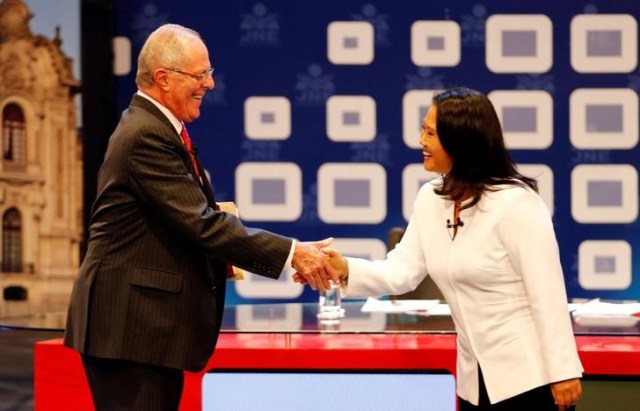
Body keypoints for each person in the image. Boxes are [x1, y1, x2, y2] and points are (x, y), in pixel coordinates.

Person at [64, 23, 337, 410]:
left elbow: (186, 224)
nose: (209, 84)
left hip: (143, 330)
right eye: (201, 74)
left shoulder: (155, 127)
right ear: (163, 78)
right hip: (130, 331)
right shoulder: (147, 135)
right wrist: (294, 253)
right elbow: (202, 223)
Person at [297, 87, 583, 410]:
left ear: (460, 141)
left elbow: (547, 293)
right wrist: (344, 267)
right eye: (423, 129)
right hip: (474, 380)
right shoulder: (431, 198)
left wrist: (563, 371)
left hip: (531, 378)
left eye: (430, 133)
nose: (421, 141)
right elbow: (401, 272)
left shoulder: (516, 204)